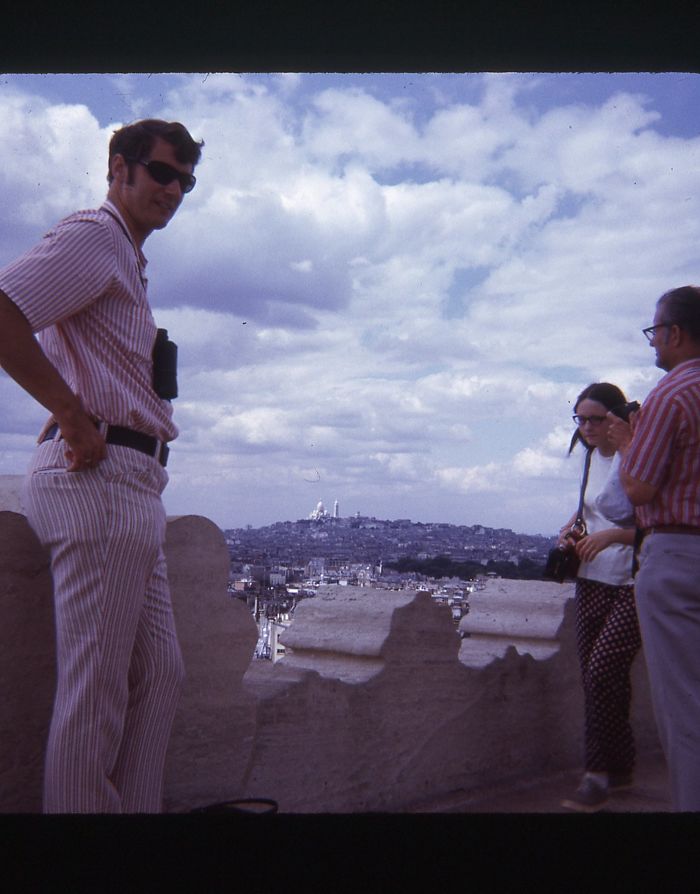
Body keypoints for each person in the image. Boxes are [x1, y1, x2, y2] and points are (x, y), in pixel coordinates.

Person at [0, 119, 203, 813]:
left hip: (132, 486)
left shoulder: (126, 261)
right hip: (100, 481)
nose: (173, 190)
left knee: (162, 675)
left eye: (186, 181)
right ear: (120, 167)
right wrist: (73, 412)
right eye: (162, 173)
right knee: (95, 701)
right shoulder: (95, 236)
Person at [609, 285, 700, 812]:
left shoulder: (673, 391)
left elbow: (638, 489)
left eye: (656, 333)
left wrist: (629, 444)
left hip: (681, 559)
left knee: (685, 709)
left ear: (677, 332)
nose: (653, 346)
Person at [558, 383, 640, 813]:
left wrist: (611, 536)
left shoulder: (637, 457)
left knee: (601, 670)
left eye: (595, 419)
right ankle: (621, 765)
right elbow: (589, 508)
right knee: (604, 675)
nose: (587, 428)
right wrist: (570, 528)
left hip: (633, 579)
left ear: (616, 418)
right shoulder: (590, 457)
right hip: (592, 578)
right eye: (581, 419)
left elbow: (656, 524)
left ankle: (597, 775)